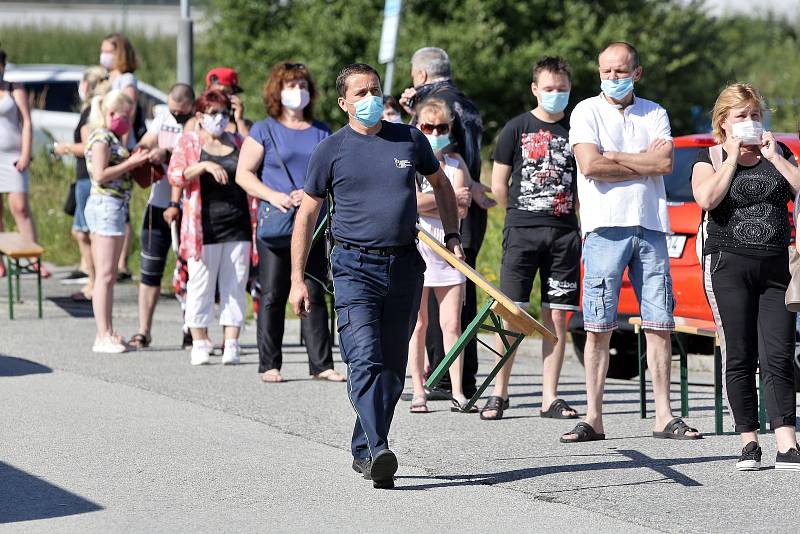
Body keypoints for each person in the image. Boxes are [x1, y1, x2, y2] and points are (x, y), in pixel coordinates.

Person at [289, 64, 463, 489]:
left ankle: (366, 453)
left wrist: (453, 232)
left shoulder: (409, 138)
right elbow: (307, 213)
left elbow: (441, 185)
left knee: (391, 367)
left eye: (375, 90)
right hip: (353, 267)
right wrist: (297, 278)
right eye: (360, 93)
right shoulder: (331, 150)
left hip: (404, 265)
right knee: (363, 359)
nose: (370, 98)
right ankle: (380, 447)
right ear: (344, 102)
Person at [564, 41, 701, 442]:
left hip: (651, 227)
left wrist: (615, 156)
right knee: (598, 325)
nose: (613, 78)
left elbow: (665, 163)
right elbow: (589, 165)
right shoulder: (586, 111)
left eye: (621, 71)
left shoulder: (655, 112)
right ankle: (593, 417)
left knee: (660, 324)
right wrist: (639, 160)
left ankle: (664, 416)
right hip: (604, 228)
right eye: (606, 71)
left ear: (636, 73)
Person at [692, 82, 800, 470]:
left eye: (755, 115)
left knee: (779, 352)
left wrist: (776, 158)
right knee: (739, 352)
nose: (751, 122)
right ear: (723, 123)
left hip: (776, 268)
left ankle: (786, 441)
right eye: (741, 117)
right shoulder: (708, 158)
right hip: (727, 266)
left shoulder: (779, 154)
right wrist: (732, 159)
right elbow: (707, 199)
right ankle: (748, 440)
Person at [482, 56, 580, 421]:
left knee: (557, 315)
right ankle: (499, 392)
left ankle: (550, 396)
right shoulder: (516, 128)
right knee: (511, 312)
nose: (556, 95)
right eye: (549, 89)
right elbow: (498, 184)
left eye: (562, 89)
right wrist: (521, 215)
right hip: (522, 230)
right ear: (535, 89)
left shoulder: (577, 128)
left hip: (564, 233)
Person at [236, 61, 344, 383]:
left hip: (314, 222)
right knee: (273, 293)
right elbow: (243, 174)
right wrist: (273, 195)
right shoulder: (263, 130)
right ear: (277, 92)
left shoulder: (323, 131)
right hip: (278, 221)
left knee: (314, 290)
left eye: (302, 86)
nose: (297, 92)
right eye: (291, 86)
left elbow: (335, 172)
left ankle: (322, 365)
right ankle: (270, 363)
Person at [400, 46, 489, 400]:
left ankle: (441, 380)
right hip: (462, 213)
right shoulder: (468, 104)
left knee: (444, 313)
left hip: (450, 218)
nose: (433, 129)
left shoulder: (431, 104)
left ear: (420, 75)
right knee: (450, 309)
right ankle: (462, 380)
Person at [168, 89, 254, 366]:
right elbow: (176, 175)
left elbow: (254, 167)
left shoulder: (238, 141)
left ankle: (232, 342)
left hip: (237, 224)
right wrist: (203, 165)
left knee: (235, 284)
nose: (219, 118)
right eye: (213, 113)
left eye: (223, 113)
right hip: (202, 227)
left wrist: (239, 121)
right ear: (200, 116)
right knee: (201, 286)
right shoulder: (190, 142)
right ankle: (200, 340)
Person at [407, 98, 471, 413]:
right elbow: (412, 203)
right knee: (418, 324)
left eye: (441, 127)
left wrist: (431, 199)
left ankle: (457, 390)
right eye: (428, 127)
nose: (435, 132)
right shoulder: (409, 163)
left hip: (449, 247)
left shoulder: (457, 164)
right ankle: (418, 390)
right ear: (417, 128)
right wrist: (442, 196)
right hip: (418, 246)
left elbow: (461, 204)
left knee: (452, 324)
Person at [128, 83, 195, 349]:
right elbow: (146, 141)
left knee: (190, 272)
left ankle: (191, 328)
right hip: (159, 203)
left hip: (187, 206)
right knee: (150, 270)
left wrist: (167, 153)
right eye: (173, 109)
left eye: (181, 111)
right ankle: (144, 330)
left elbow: (190, 153)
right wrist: (144, 152)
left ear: (190, 105)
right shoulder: (163, 118)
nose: (176, 114)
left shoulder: (197, 123)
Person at [84, 89, 150, 353]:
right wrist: (131, 163)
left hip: (116, 205)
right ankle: (101, 334)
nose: (126, 119)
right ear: (110, 113)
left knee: (109, 276)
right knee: (105, 275)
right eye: (123, 115)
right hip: (105, 205)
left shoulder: (112, 137)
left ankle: (109, 330)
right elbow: (100, 175)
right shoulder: (101, 137)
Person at [54, 66, 111, 300]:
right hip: (83, 177)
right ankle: (93, 280)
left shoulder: (92, 111)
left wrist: (63, 148)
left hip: (87, 178)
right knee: (82, 231)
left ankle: (93, 282)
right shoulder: (91, 109)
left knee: (84, 231)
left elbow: (88, 147)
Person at [0, 47, 47, 278]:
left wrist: (26, 154)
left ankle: (33, 258)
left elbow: (27, 122)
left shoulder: (13, 88)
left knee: (19, 207)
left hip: (12, 156)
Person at [100, 32, 140, 281]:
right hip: (107, 142)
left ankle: (122, 260)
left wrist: (123, 153)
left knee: (121, 203)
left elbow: (127, 116)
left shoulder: (126, 80)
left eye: (108, 51)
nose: (104, 55)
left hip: (120, 146)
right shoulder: (108, 77)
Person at [205, 67, 250, 136]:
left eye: (229, 93)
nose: (223, 98)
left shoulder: (244, 124)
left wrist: (239, 120)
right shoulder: (198, 121)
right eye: (220, 92)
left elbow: (250, 145)